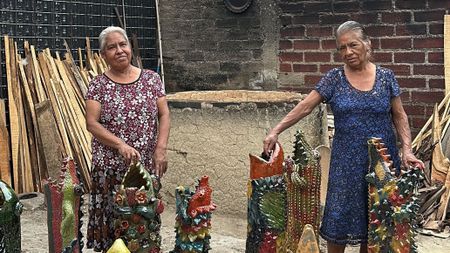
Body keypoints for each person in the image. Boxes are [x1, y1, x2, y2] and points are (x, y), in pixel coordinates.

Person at [263, 21, 424, 253]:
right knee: (338, 216)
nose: (347, 52)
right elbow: (306, 107)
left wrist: (406, 150)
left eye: (353, 45)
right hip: (345, 161)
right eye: (342, 48)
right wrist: (276, 130)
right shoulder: (334, 79)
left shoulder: (387, 77)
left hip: (381, 162)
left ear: (367, 44)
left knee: (376, 218)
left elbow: (399, 116)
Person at [85, 26, 170, 252]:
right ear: (103, 55)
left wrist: (160, 148)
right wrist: (120, 144)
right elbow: (92, 123)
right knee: (113, 221)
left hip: (144, 166)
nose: (119, 50)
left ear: (130, 48)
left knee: (144, 223)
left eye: (123, 45)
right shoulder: (98, 85)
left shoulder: (152, 79)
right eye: (111, 47)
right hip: (111, 168)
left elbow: (164, 114)